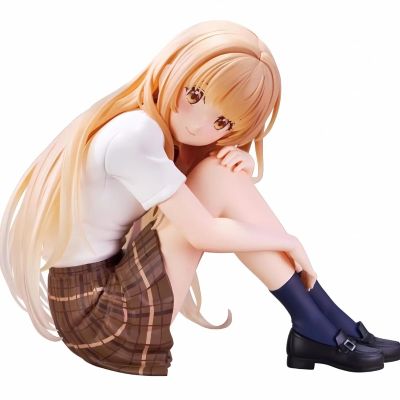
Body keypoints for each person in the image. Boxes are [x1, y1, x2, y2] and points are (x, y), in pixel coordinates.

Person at [1, 20, 399, 376]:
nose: (197, 123)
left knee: (219, 173)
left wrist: (234, 164)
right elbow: (203, 233)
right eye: (195, 94)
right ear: (173, 66)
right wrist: (289, 241)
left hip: (104, 289)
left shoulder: (148, 128)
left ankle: (329, 322)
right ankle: (319, 325)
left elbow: (198, 189)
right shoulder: (135, 133)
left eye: (222, 122)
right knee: (217, 178)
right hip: (100, 317)